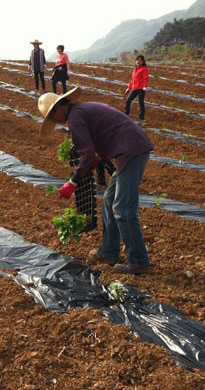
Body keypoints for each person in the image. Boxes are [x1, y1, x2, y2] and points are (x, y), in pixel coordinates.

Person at [38, 87, 154, 274]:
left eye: (52, 117)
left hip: (131, 150)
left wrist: (72, 182)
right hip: (128, 149)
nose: (56, 122)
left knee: (122, 209)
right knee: (109, 202)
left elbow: (87, 153)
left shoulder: (75, 118)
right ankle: (108, 252)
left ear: (58, 108)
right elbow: (101, 136)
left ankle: (138, 261)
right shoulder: (81, 110)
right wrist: (95, 159)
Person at [124, 55, 149, 121]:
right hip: (134, 88)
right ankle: (126, 114)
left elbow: (145, 79)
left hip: (141, 88)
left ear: (142, 61)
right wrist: (128, 88)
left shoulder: (144, 69)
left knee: (141, 102)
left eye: (140, 60)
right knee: (128, 100)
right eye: (137, 60)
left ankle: (141, 117)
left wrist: (144, 86)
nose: (138, 61)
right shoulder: (135, 69)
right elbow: (132, 80)